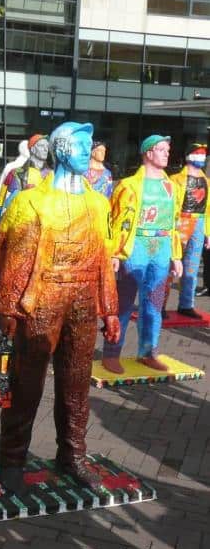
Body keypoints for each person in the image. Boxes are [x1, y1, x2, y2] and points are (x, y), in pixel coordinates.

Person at [0, 121, 119, 492]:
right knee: (26, 385)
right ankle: (12, 459)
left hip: (83, 300)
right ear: (60, 150)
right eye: (81, 145)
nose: (88, 152)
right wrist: (7, 309)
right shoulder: (30, 201)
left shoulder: (97, 201)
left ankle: (72, 454)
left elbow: (104, 257)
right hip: (41, 301)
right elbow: (13, 260)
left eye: (90, 145)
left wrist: (109, 308)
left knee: (76, 385)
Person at [102, 134, 183, 374]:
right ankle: (111, 352)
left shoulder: (172, 186)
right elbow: (116, 222)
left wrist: (176, 255)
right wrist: (115, 253)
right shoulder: (128, 185)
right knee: (124, 304)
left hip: (161, 247)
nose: (167, 153)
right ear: (148, 153)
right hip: (134, 247)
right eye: (161, 149)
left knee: (154, 305)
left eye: (168, 149)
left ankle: (148, 352)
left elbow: (175, 223)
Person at [169, 143, 210, 318]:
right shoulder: (176, 180)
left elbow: (208, 209)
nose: (201, 157)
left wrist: (207, 232)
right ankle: (159, 304)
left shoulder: (206, 181)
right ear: (188, 156)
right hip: (181, 220)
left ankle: (186, 304)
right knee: (170, 263)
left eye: (203, 154)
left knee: (192, 265)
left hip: (199, 221)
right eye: (197, 153)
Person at [0, 139, 29, 226]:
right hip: (11, 201)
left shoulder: (33, 168)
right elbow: (3, 186)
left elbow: (2, 188)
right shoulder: (11, 167)